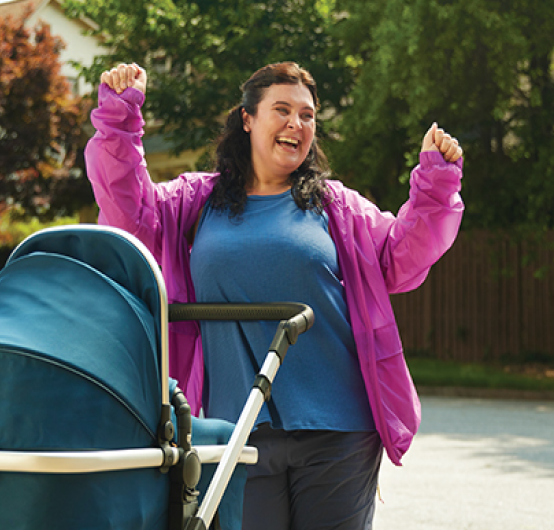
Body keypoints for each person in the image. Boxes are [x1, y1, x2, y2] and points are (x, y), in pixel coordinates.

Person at [86, 61, 464, 530]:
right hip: (238, 430)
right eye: (282, 110)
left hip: (339, 429)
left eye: (307, 115)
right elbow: (128, 208)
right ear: (247, 119)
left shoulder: (335, 206)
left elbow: (403, 254)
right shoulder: (194, 203)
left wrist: (436, 182)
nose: (296, 124)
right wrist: (121, 119)